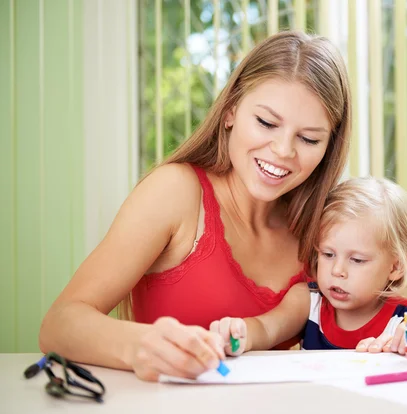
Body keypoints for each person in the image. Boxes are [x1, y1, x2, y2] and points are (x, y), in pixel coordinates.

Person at [38, 30, 351, 382]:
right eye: (266, 122)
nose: (283, 150)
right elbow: (58, 324)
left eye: (309, 138)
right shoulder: (176, 193)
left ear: (329, 146)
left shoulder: (322, 234)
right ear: (231, 110)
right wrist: (143, 344)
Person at [210, 177, 407, 355]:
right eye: (328, 254)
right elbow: (267, 329)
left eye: (357, 260)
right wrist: (239, 333)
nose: (337, 270)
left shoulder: (406, 318)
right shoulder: (308, 301)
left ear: (396, 267)